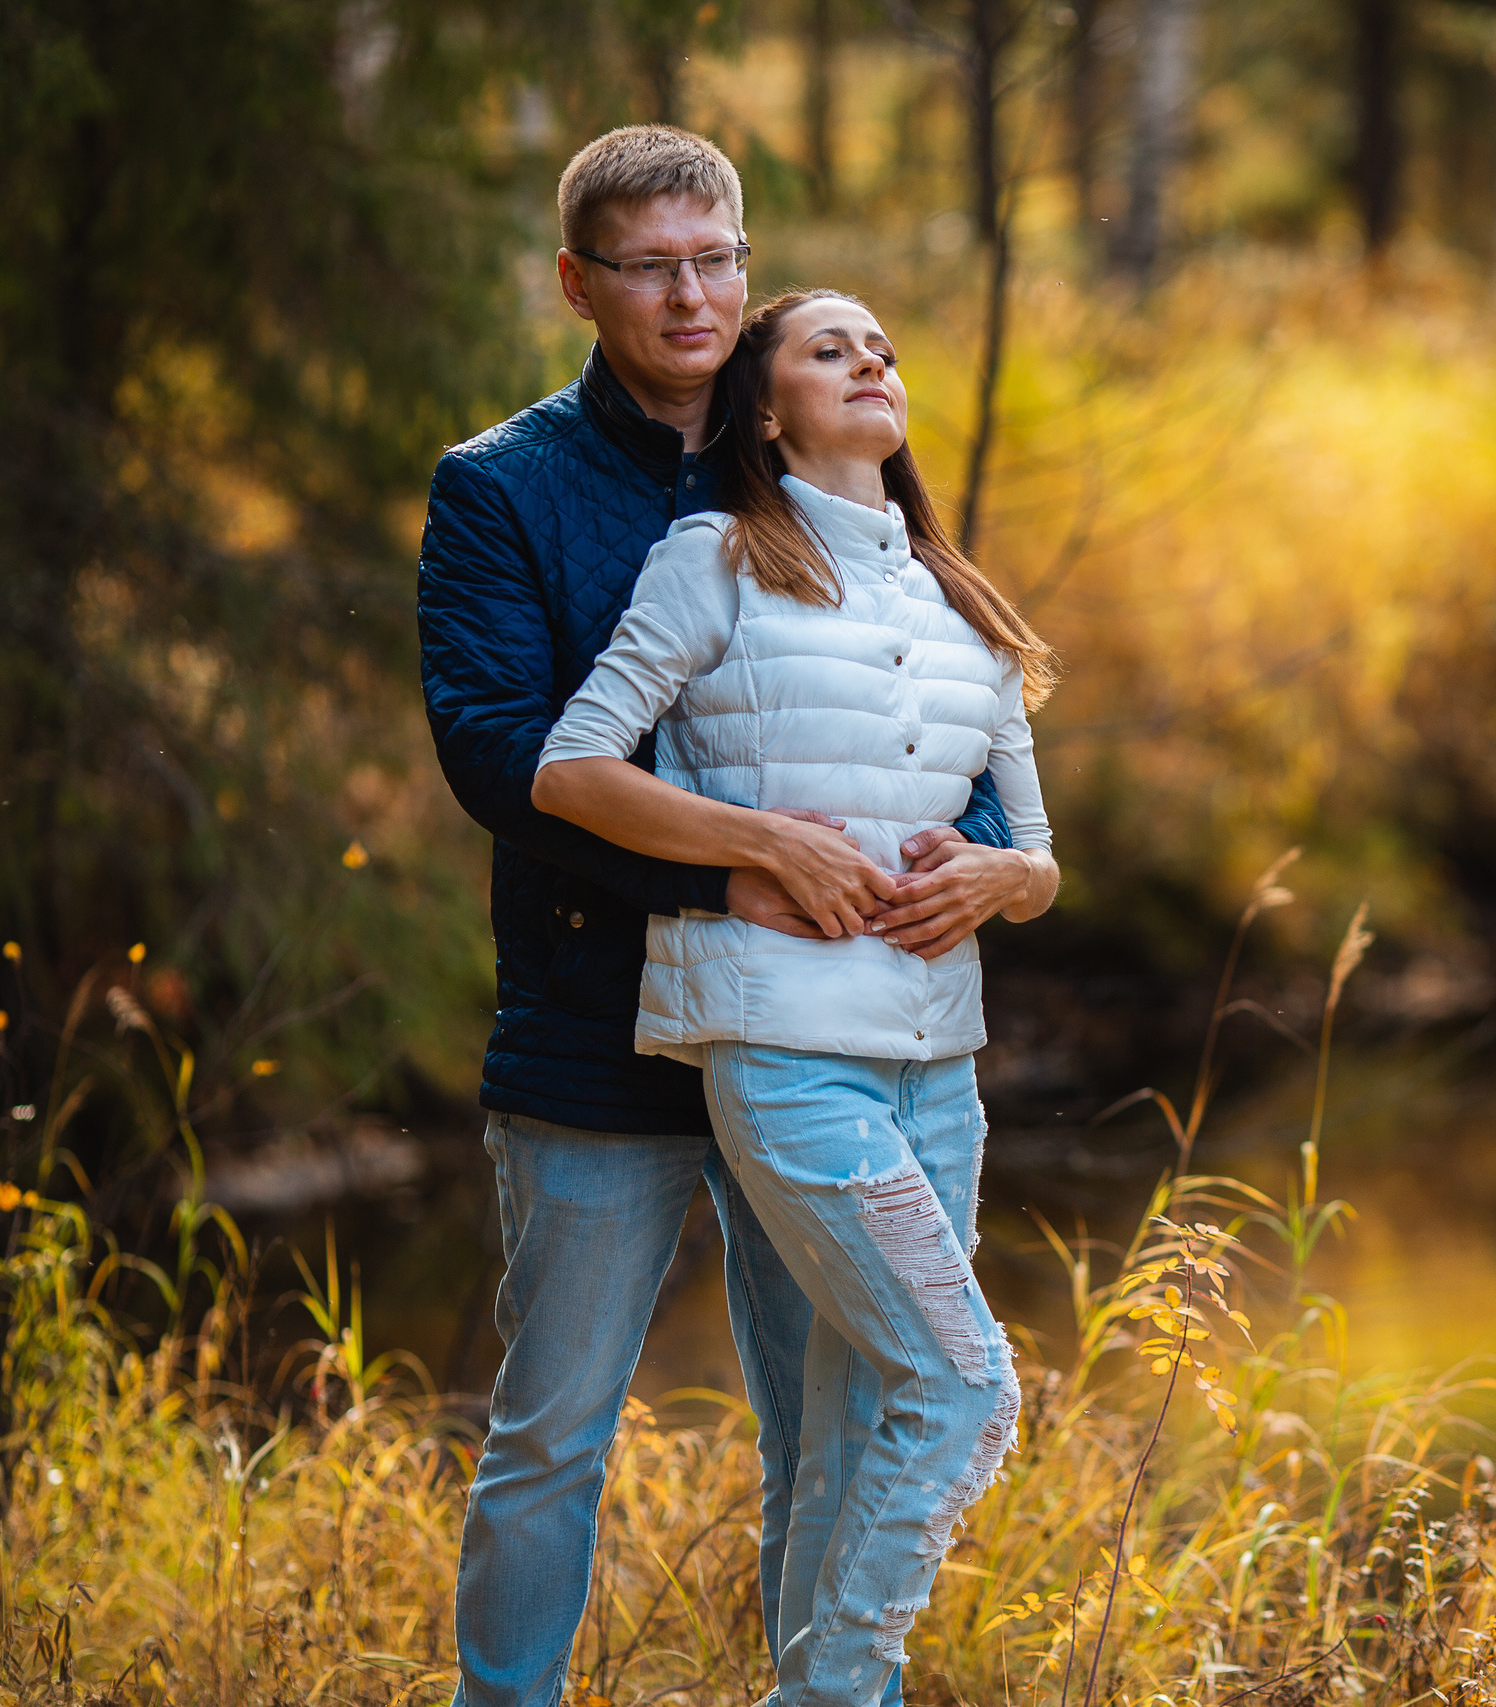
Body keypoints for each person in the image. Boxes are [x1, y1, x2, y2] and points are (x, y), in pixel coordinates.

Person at [416, 127, 1011, 1707]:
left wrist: (995, 858)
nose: (692, 294)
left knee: (825, 1422)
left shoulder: (820, 451)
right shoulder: (503, 488)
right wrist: (723, 871)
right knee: (553, 1432)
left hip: (812, 1030)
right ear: (579, 285)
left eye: (716, 259)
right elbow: (497, 749)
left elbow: (938, 723)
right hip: (592, 1020)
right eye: (651, 265)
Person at [529, 284, 1058, 1705]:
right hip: (783, 1049)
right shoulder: (712, 561)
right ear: (769, 410)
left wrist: (1002, 886)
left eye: (883, 344)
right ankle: (833, 1693)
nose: (874, 358)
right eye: (833, 349)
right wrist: (755, 843)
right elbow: (572, 772)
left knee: (861, 1417)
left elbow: (1042, 854)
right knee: (966, 1388)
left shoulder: (966, 604)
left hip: (936, 1065)